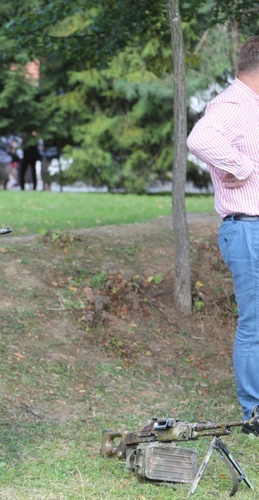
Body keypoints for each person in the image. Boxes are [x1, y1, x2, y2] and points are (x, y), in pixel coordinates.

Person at [187, 36, 259, 431]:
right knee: (255, 324)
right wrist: (243, 167)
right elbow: (199, 139)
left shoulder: (251, 106)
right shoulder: (234, 103)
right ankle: (254, 413)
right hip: (249, 228)